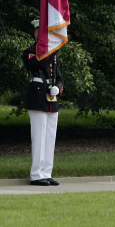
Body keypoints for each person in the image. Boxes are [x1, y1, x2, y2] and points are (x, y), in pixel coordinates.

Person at [23, 19, 64, 186]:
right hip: (37, 97)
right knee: (39, 137)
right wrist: (50, 49)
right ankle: (36, 174)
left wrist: (58, 88)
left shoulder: (53, 55)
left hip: (51, 99)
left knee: (50, 138)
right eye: (40, 31)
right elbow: (41, 62)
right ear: (35, 33)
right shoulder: (29, 52)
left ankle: (46, 172)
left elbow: (60, 79)